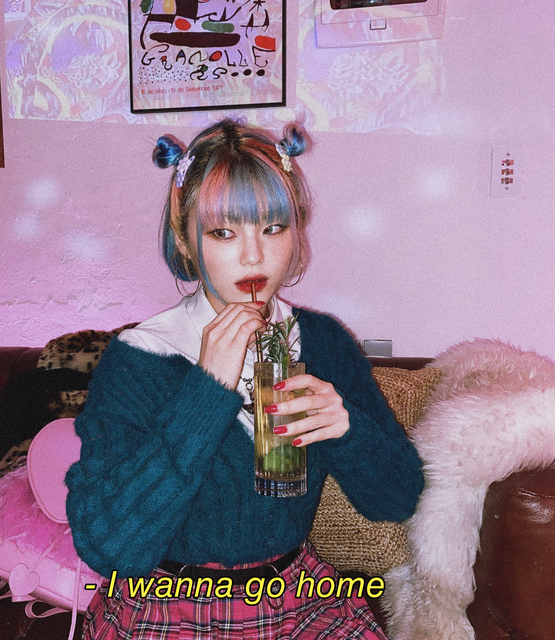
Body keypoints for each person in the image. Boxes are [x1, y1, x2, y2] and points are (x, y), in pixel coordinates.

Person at [66, 118, 424, 639]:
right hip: (168, 606)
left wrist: (348, 428)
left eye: (273, 228)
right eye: (223, 232)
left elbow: (399, 498)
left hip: (297, 597)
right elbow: (107, 546)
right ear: (185, 241)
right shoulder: (140, 358)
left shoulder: (322, 341)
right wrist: (206, 391)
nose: (254, 256)